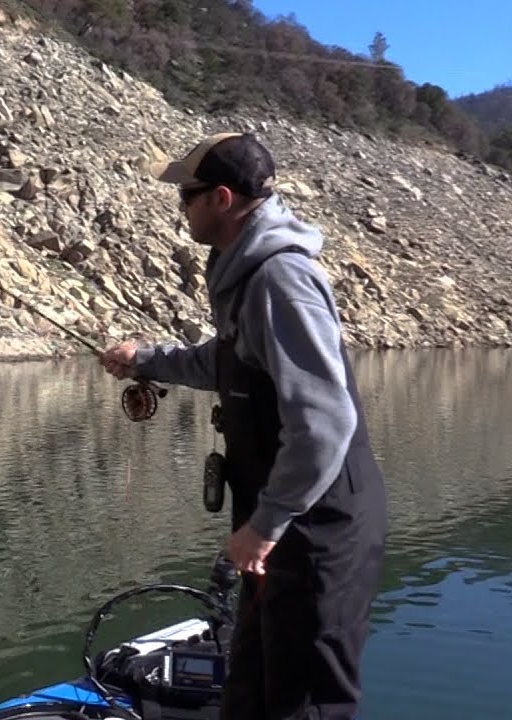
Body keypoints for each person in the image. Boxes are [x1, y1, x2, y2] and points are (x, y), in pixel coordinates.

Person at [101, 133, 388, 720]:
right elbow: (227, 362)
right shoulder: (244, 274)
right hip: (278, 530)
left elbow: (325, 422)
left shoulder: (280, 279)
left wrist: (266, 524)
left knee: (301, 704)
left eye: (187, 195)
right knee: (249, 696)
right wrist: (146, 361)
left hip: (316, 531)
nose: (180, 206)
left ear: (222, 199)